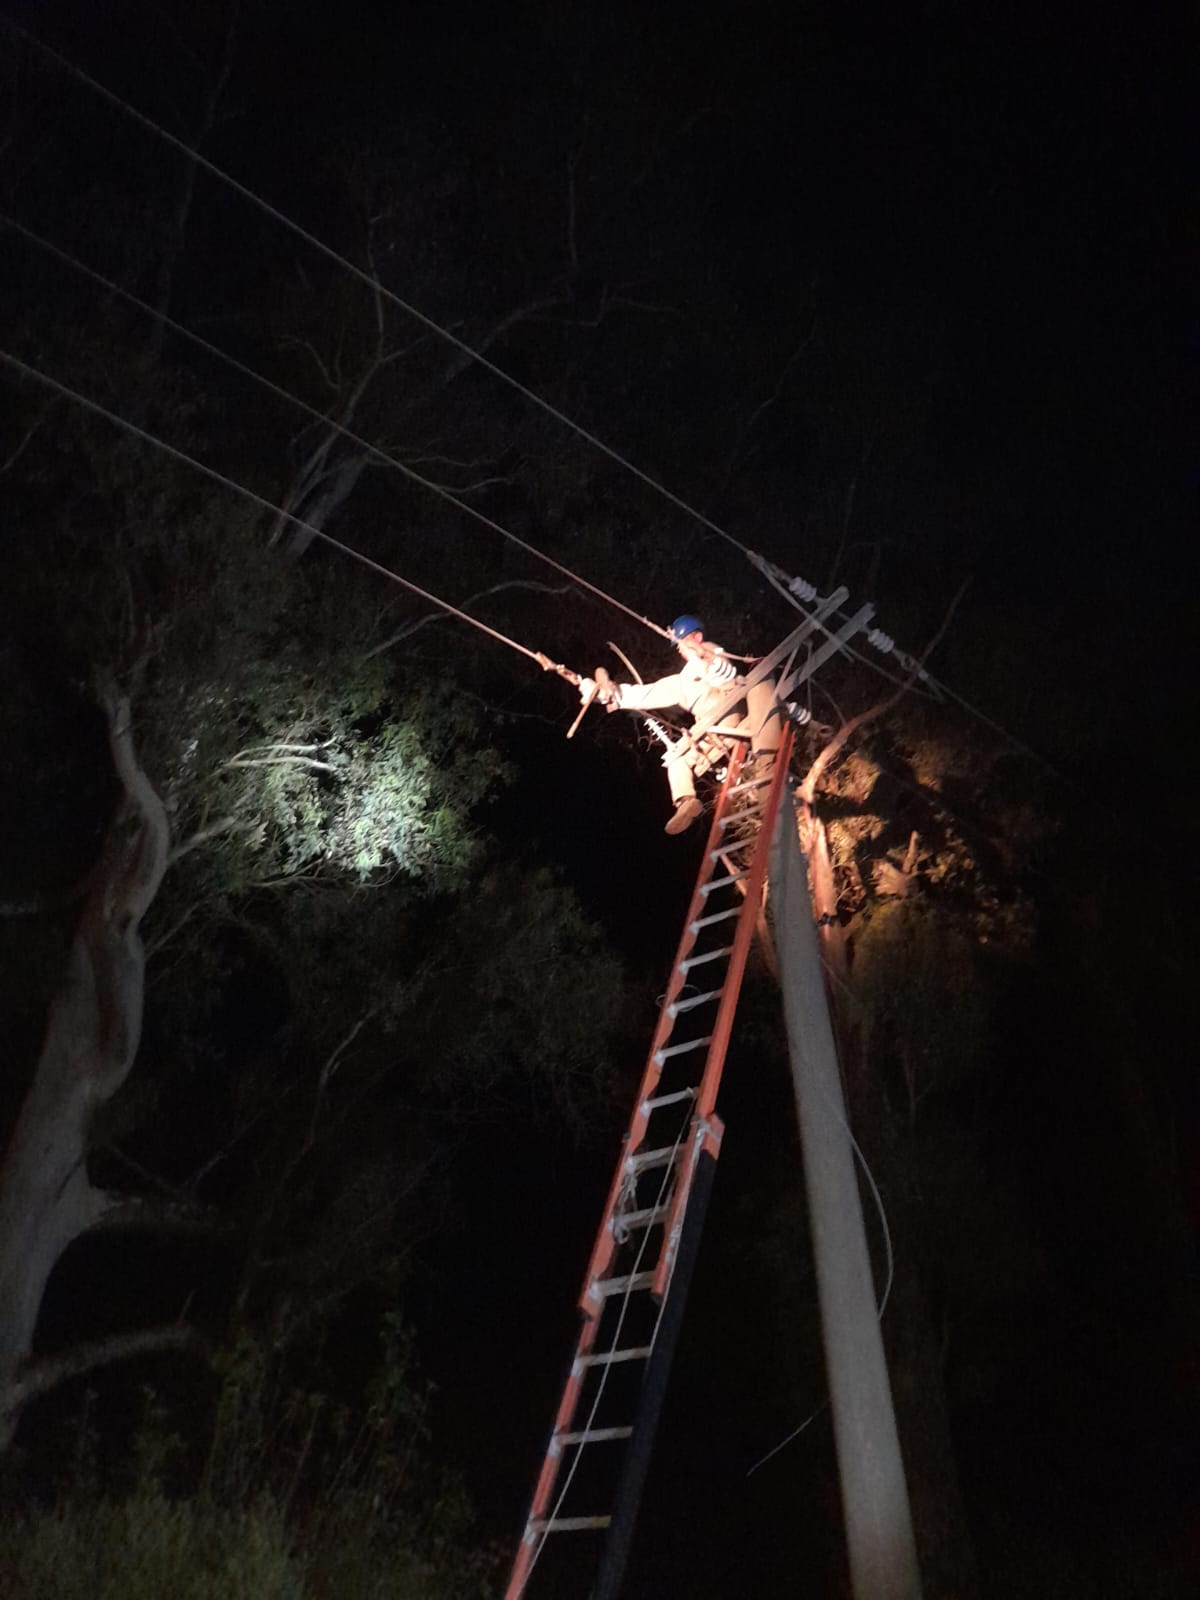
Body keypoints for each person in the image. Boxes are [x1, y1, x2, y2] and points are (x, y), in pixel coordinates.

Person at [578, 615, 781, 834]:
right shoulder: (683, 680)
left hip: (730, 715)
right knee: (675, 759)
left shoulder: (711, 654)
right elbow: (645, 694)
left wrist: (700, 654)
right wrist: (607, 693)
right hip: (709, 730)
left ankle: (766, 783)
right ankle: (686, 802)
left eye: (682, 642)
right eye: (678, 645)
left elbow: (719, 668)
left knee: (759, 735)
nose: (679, 649)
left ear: (697, 637)